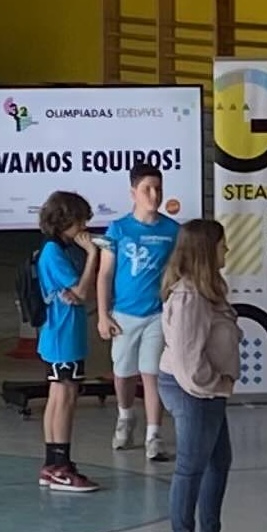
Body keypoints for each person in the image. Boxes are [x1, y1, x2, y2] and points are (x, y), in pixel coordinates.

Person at [160, 216, 243, 532]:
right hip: (193, 389)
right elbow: (187, 360)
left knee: (218, 461)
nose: (227, 249)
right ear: (207, 250)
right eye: (222, 243)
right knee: (191, 467)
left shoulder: (209, 289)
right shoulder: (189, 298)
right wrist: (216, 384)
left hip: (208, 390)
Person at [99, 164, 182, 464]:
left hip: (157, 316)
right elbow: (105, 274)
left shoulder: (172, 230)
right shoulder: (118, 230)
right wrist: (103, 314)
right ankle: (125, 416)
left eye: (158, 188)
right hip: (124, 315)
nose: (154, 194)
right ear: (133, 193)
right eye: (147, 189)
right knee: (123, 373)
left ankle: (153, 434)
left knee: (152, 374)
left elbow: (178, 271)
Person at [31, 192, 107, 494]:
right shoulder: (53, 252)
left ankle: (54, 462)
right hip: (62, 336)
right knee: (64, 398)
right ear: (65, 221)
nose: (84, 228)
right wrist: (92, 255)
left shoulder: (55, 250)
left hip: (61, 334)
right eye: (80, 221)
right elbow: (79, 292)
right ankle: (59, 465)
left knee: (58, 396)